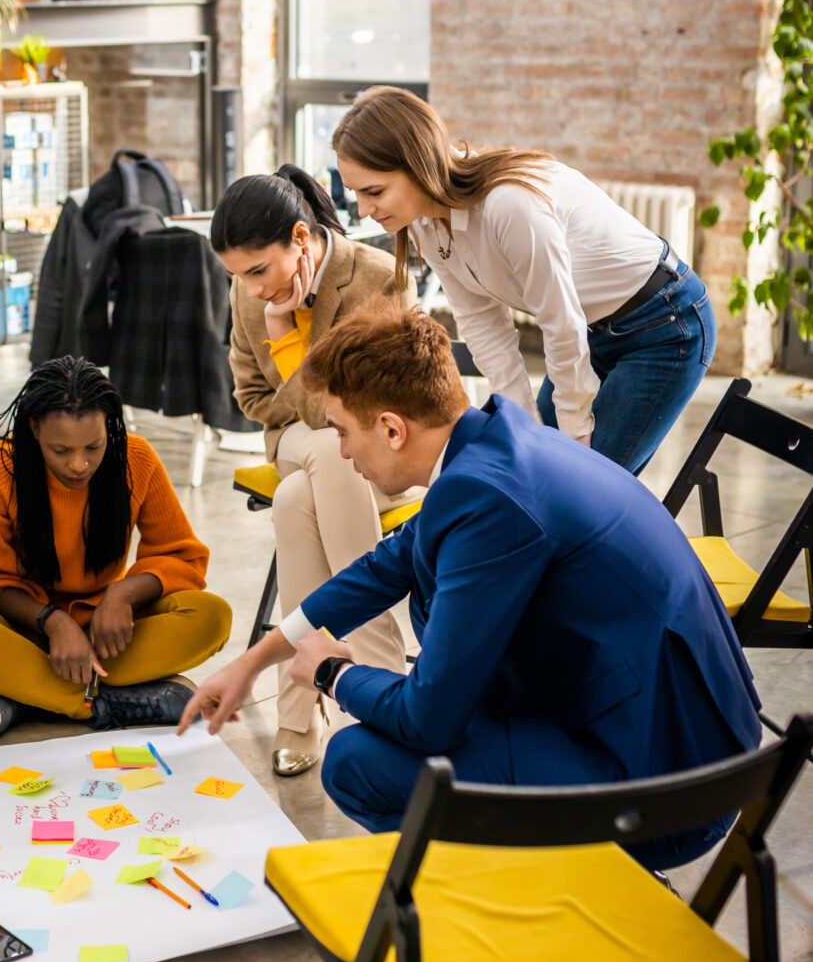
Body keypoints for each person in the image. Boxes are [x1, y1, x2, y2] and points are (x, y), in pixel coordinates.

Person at [177, 306, 761, 871]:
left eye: (343, 432)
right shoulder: (494, 443)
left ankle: (520, 892)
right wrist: (253, 662)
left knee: (355, 761)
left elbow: (427, 719)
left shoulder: (484, 498)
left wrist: (332, 674)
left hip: (668, 793)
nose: (344, 452)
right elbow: (382, 568)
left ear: (392, 429)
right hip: (685, 736)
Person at [331, 87, 716, 475]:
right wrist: (522, 428)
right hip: (590, 330)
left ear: (417, 165)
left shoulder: (508, 204)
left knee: (577, 486)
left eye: (374, 191)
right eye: (355, 193)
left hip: (664, 324)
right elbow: (482, 323)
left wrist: (574, 429)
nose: (363, 209)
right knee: (535, 468)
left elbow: (559, 321)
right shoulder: (422, 221)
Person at [211, 164, 411, 778]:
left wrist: (290, 347)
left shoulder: (376, 277)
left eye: (257, 271)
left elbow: (375, 408)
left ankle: (299, 714)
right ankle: (384, 687)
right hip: (297, 441)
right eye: (238, 276)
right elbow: (251, 399)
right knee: (323, 451)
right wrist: (284, 343)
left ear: (301, 238)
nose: (250, 290)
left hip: (380, 454)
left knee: (297, 497)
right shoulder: (250, 297)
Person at [0, 356, 232, 738]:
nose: (80, 464)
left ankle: (26, 696)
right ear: (34, 429)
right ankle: (104, 702)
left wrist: (122, 596)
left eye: (93, 447)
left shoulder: (136, 458)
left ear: (109, 426)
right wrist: (53, 621)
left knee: (212, 615)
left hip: (109, 635)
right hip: (26, 632)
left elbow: (180, 555)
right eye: (60, 450)